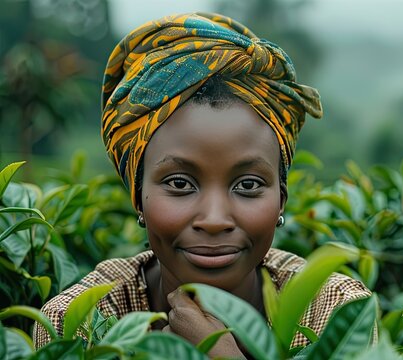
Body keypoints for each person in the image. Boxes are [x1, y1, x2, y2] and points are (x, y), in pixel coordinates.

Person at [33, 12, 371, 357]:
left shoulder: (335, 313)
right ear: (138, 197)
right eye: (180, 183)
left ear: (281, 200)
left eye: (248, 184)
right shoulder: (77, 325)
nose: (214, 219)